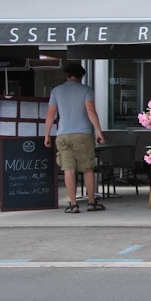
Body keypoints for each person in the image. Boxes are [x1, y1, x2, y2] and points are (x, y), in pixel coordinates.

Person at [43, 63, 106, 213]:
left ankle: (73, 204)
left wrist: (47, 135)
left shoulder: (56, 91)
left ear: (66, 74)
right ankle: (91, 202)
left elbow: (51, 114)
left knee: (68, 169)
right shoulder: (86, 90)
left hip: (63, 134)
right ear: (82, 76)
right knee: (88, 169)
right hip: (83, 134)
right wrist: (99, 131)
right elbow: (90, 111)